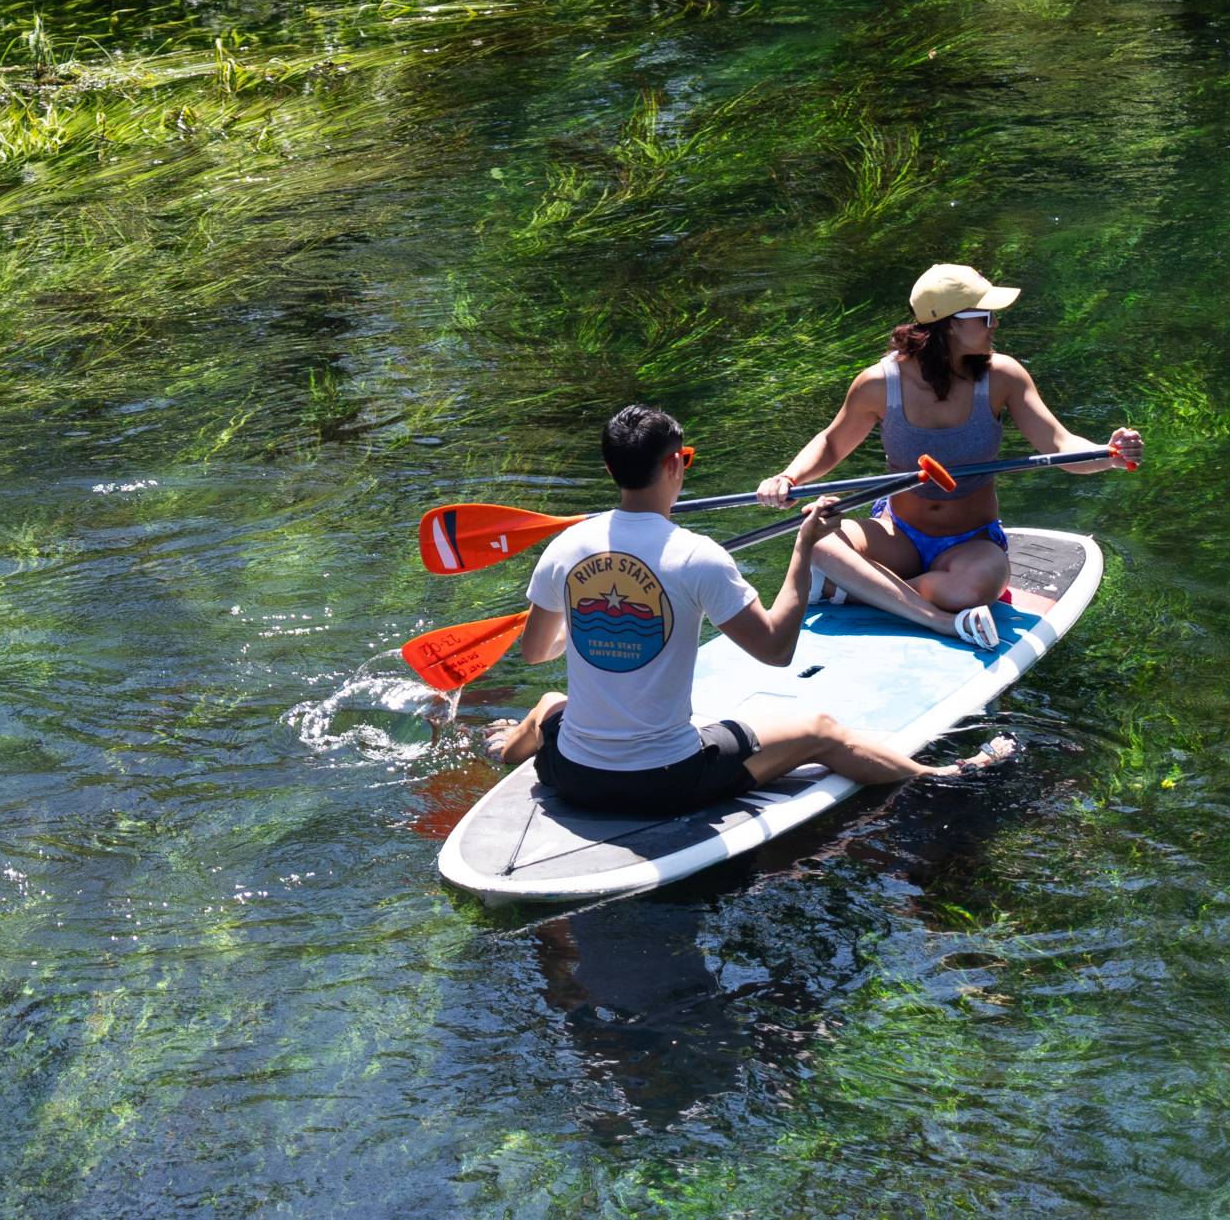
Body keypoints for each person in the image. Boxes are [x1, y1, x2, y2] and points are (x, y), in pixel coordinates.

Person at [484, 402, 1013, 813]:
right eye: (685, 460)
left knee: (554, 699)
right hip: (668, 780)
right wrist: (804, 550)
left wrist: (584, 622)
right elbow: (776, 650)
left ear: (609, 469)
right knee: (822, 729)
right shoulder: (698, 556)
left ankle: (508, 744)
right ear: (675, 464)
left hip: (574, 774)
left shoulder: (565, 547)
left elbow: (536, 652)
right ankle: (944, 777)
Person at [758, 260, 1142, 643]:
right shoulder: (878, 384)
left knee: (972, 591)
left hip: (971, 543)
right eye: (986, 316)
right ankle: (935, 617)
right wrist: (788, 478)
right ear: (950, 323)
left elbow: (1059, 445)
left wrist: (1106, 453)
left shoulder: (1002, 376)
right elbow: (831, 442)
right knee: (817, 540)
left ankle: (862, 589)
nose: (995, 325)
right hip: (899, 536)